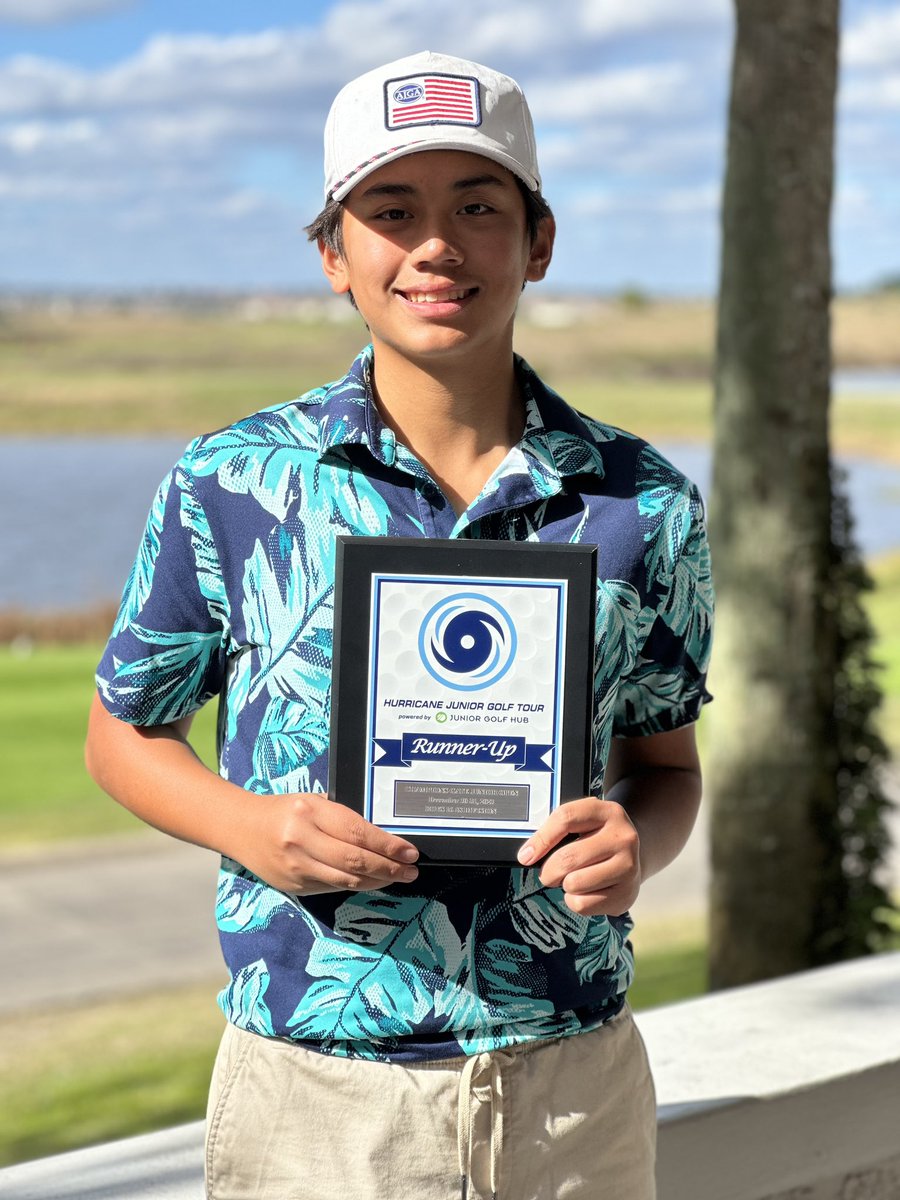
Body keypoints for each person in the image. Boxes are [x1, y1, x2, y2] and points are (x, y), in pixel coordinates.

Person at [85, 50, 714, 1200]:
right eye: (392, 209)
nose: (437, 243)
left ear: (540, 242)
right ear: (334, 252)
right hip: (317, 1099)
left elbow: (666, 770)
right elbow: (121, 734)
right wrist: (250, 828)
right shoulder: (234, 482)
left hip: (573, 1089)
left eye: (479, 205)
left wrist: (639, 846)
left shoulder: (645, 501)